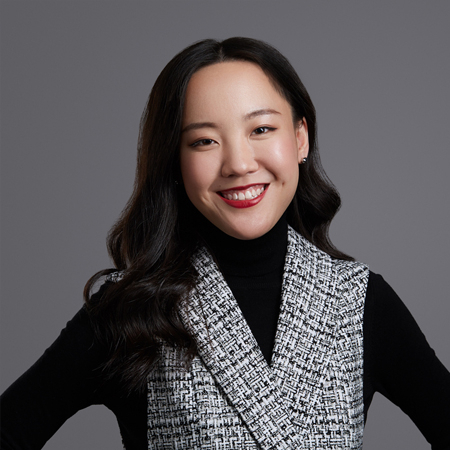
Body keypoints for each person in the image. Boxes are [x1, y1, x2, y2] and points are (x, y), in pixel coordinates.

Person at [1, 37, 449, 450]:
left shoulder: (357, 301)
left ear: (300, 138)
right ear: (175, 162)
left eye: (261, 130)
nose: (238, 164)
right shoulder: (132, 311)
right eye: (204, 140)